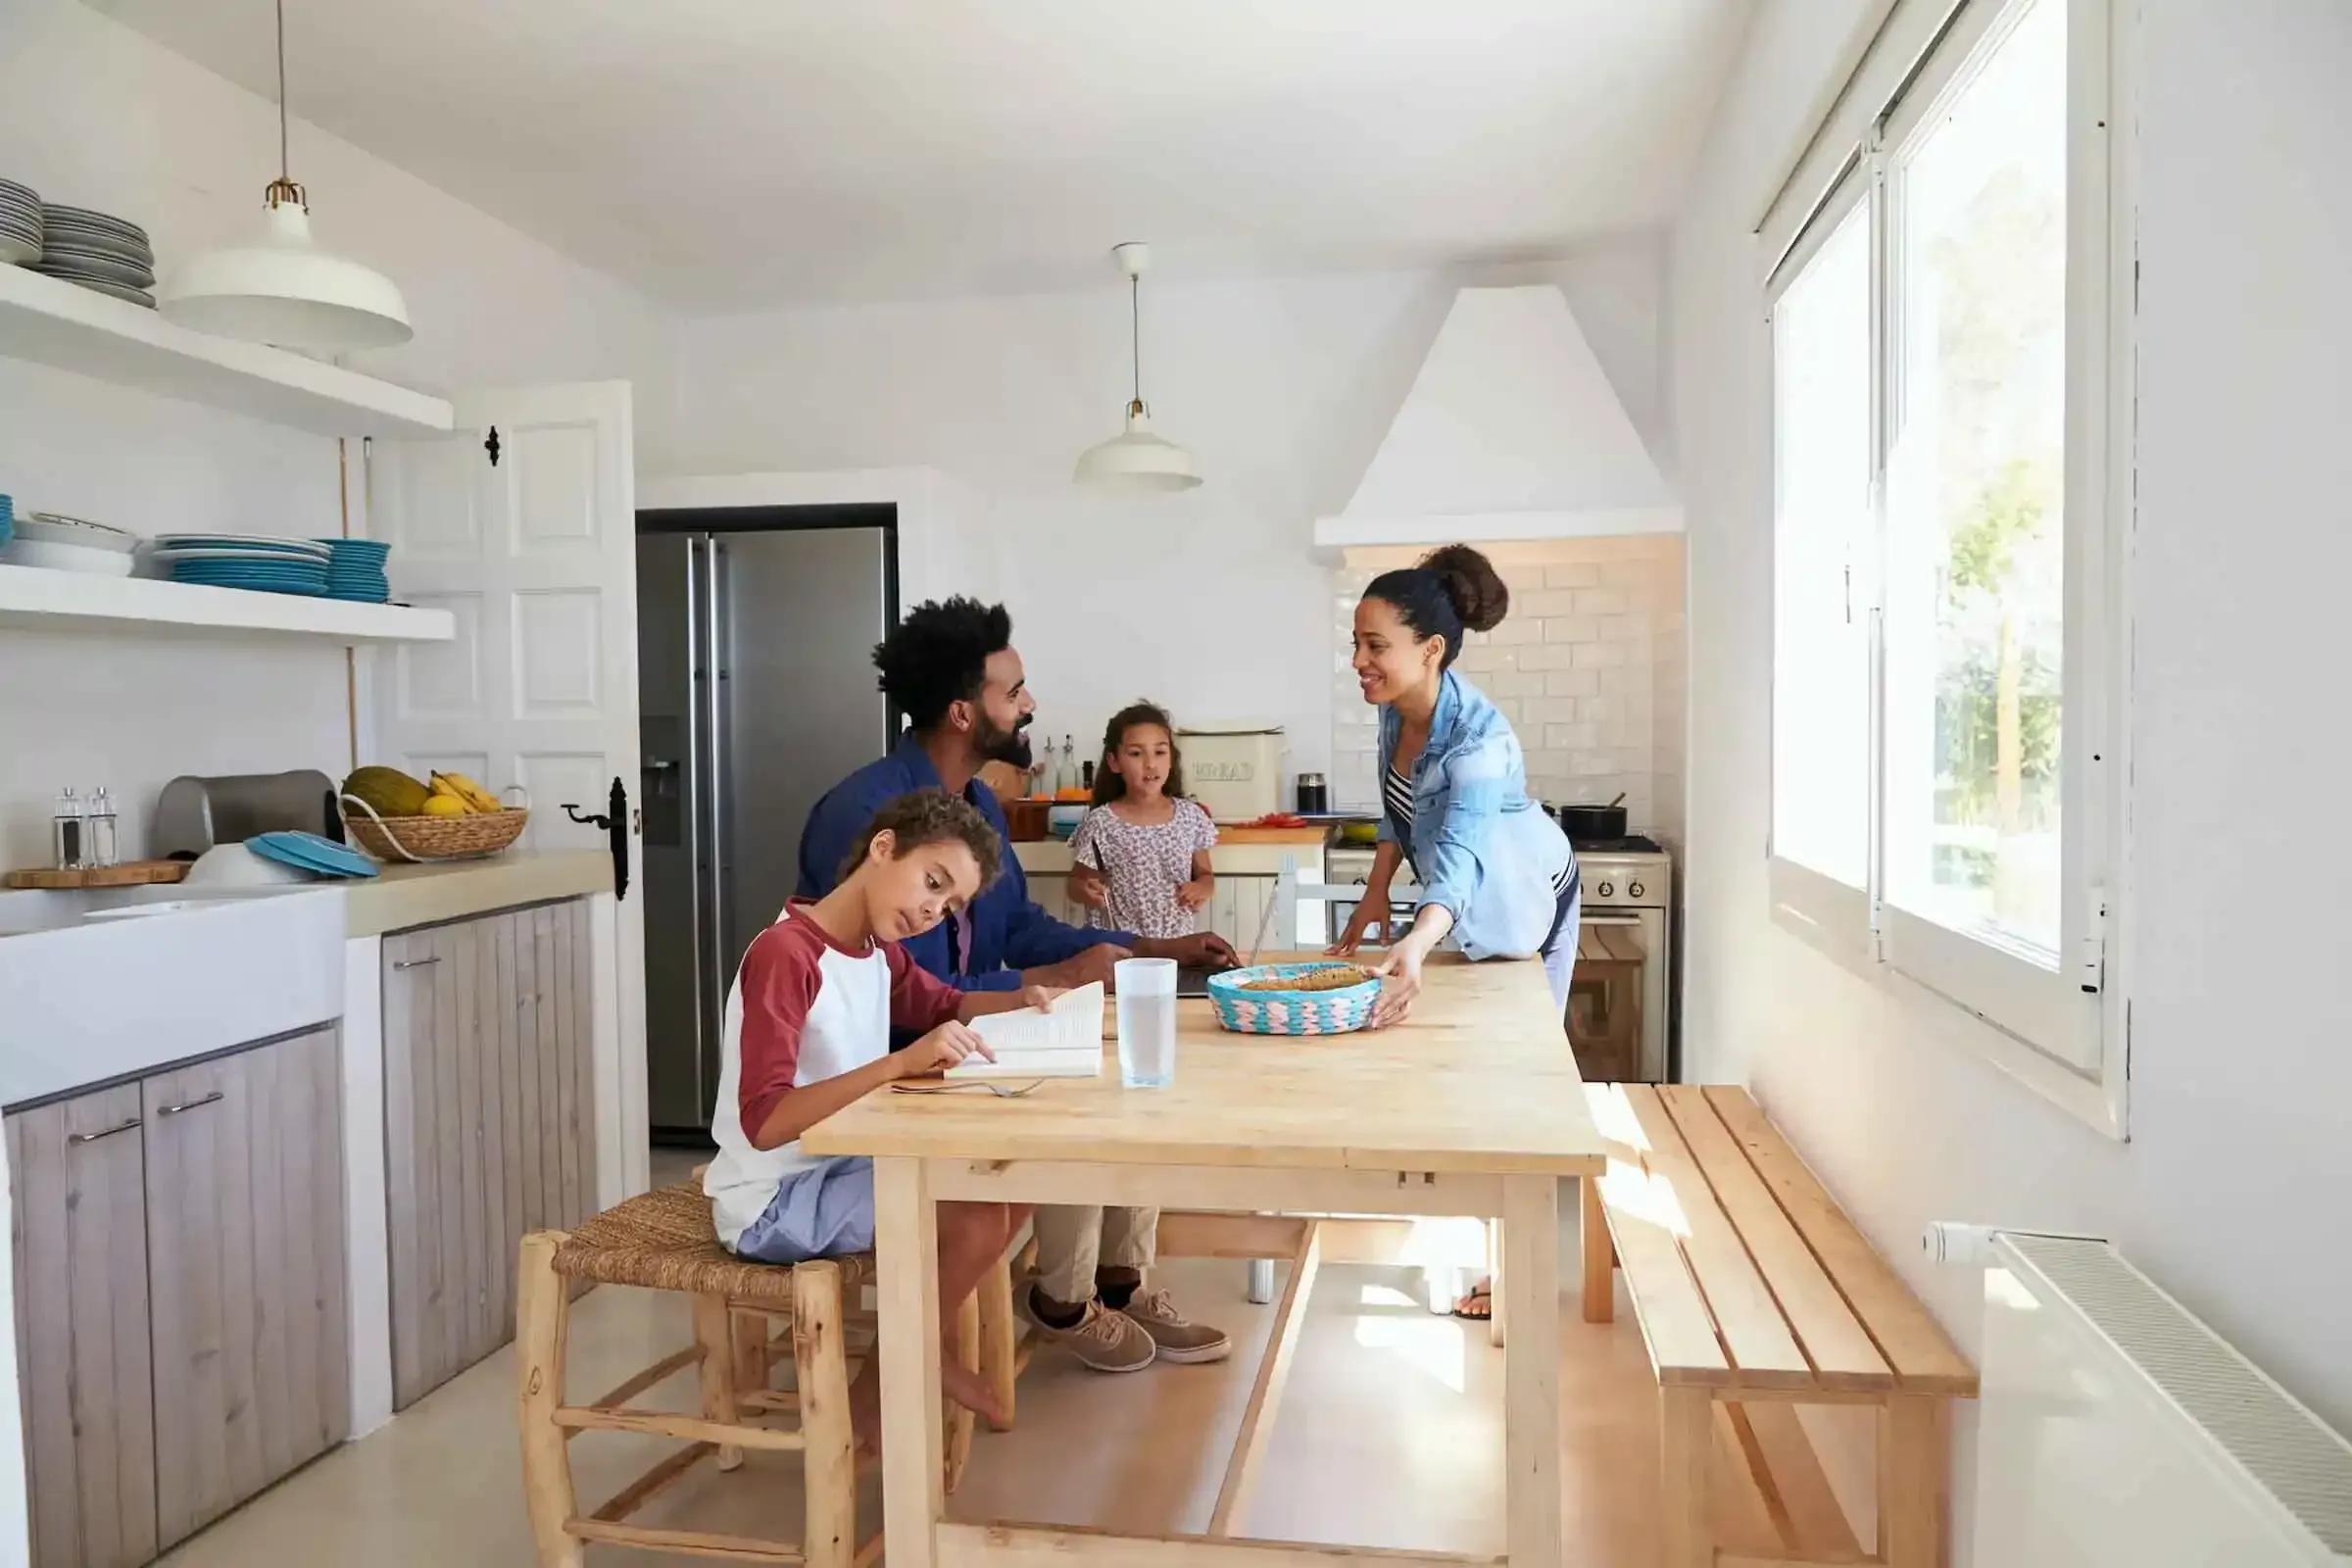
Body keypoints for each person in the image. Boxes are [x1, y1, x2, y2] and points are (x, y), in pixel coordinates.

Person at [798, 598, 1237, 1373]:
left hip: (968, 1036)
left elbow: (1020, 927)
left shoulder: (979, 806)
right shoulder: (866, 815)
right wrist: (1059, 977)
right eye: (1016, 690)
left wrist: (1146, 947)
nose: (1029, 703)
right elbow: (914, 993)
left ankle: (1120, 1280)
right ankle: (1060, 1298)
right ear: (966, 712)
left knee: (1137, 1071)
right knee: (1090, 1091)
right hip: (895, 1072)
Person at [705, 791, 1052, 1448]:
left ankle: (913, 1347)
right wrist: (896, 1066)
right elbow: (766, 1121)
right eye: (932, 882)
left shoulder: (872, 951)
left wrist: (1024, 999)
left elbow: (945, 1002)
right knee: (974, 1214)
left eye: (948, 905)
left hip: (836, 1169)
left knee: (1011, 1178)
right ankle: (882, 1382)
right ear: (883, 847)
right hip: (774, 1200)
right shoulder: (788, 955)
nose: (931, 909)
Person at [1328, 544, 1579, 1320]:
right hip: (1457, 906)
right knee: (1452, 1080)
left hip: (1522, 905)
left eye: (1376, 647)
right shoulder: (1394, 711)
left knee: (1511, 1089)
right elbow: (1401, 815)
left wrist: (1415, 936)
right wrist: (1377, 897)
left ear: (1429, 650)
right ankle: (1472, 1247)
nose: (1359, 662)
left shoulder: (1481, 743)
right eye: (1356, 644)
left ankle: (1514, 1276)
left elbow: (1465, 851)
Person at [1066, 702, 1219, 939]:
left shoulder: (1191, 817)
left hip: (1174, 950)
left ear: (1171, 758)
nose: (1150, 763)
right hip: (1116, 951)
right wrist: (1086, 890)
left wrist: (1201, 888)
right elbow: (1076, 883)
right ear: (1114, 762)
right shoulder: (1101, 822)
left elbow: (1206, 875)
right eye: (1136, 753)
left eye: (1160, 752)